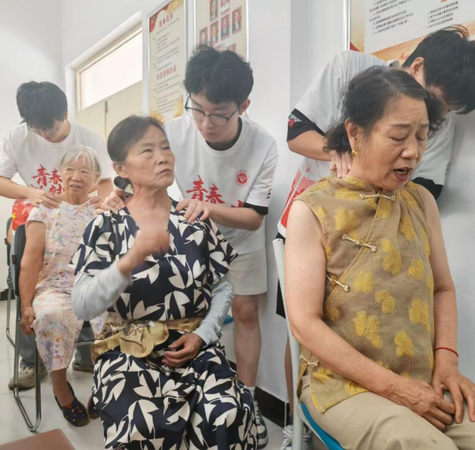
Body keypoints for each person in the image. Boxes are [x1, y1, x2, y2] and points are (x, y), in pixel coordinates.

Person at [285, 66, 475, 449]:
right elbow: (304, 324)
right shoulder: (312, 209)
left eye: (421, 135)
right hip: (342, 385)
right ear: (355, 134)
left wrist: (447, 363)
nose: (413, 151)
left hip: (422, 377)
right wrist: (395, 389)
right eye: (398, 136)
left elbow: (443, 288)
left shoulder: (421, 201)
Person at [103, 45, 278, 448]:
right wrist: (119, 194)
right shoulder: (175, 132)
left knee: (245, 314)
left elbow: (254, 216)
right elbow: (136, 173)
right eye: (197, 109)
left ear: (243, 106)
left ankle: (247, 402)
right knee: (182, 310)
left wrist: (208, 208)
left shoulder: (263, 145)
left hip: (241, 238)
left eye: (218, 113)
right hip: (193, 234)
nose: (205, 123)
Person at [71, 116, 257, 449]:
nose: (162, 157)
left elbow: (222, 287)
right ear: (121, 168)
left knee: (227, 415)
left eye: (166, 148)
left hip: (195, 349)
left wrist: (202, 335)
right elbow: (82, 305)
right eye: (147, 151)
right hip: (128, 351)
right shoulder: (106, 225)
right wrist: (129, 260)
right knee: (142, 424)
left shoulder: (194, 218)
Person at [0, 81, 114, 391]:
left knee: (87, 270)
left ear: (65, 114)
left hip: (79, 214)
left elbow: (106, 181)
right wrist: (30, 192)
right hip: (40, 215)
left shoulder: (88, 138)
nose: (44, 134)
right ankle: (32, 361)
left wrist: (101, 203)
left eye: (49, 128)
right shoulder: (17, 138)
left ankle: (86, 354)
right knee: (29, 272)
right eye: (36, 129)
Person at [19, 146, 105, 426]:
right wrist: (26, 305)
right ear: (60, 173)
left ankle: (106, 382)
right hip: (54, 287)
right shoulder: (44, 210)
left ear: (96, 178)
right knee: (52, 316)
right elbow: (30, 261)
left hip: (97, 286)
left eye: (84, 171)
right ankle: (60, 387)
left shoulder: (102, 211)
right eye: (70, 169)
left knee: (119, 318)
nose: (76, 176)